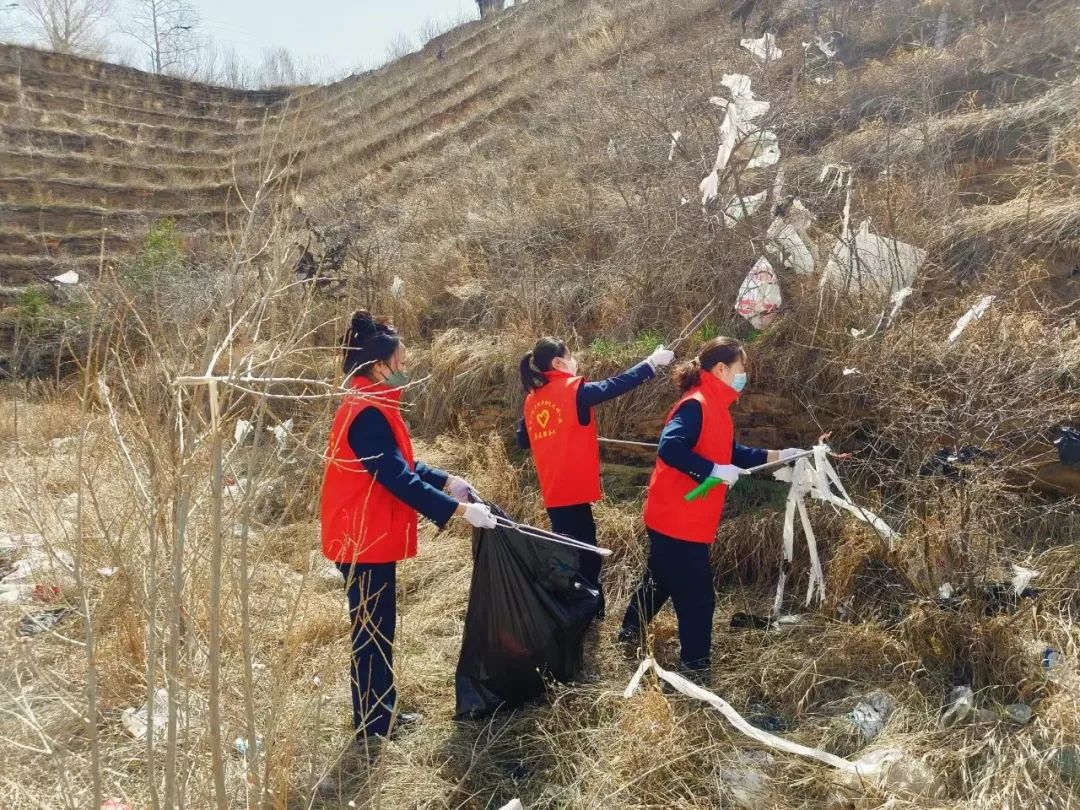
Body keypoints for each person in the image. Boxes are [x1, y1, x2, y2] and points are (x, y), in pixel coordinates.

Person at [321, 310, 497, 745]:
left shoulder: (373, 405)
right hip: (361, 539)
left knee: (379, 628)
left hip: (367, 534)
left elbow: (403, 464)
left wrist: (447, 480)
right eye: (400, 362)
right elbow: (396, 479)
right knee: (372, 631)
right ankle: (372, 726)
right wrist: (458, 512)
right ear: (379, 365)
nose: (405, 369)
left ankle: (380, 712)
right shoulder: (366, 413)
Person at [618, 336, 803, 678]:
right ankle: (696, 670)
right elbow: (670, 449)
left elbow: (731, 453)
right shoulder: (696, 405)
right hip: (677, 519)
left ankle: (628, 634)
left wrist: (779, 456)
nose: (743, 375)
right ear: (721, 369)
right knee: (698, 600)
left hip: (680, 518)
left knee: (659, 581)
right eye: (740, 368)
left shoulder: (716, 408)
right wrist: (711, 471)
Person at [518, 337, 675, 614]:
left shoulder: (532, 400)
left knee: (571, 550)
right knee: (585, 555)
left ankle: (583, 607)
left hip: (554, 491)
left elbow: (523, 440)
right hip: (572, 489)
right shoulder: (572, 391)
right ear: (557, 363)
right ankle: (584, 610)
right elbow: (615, 385)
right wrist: (652, 363)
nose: (574, 360)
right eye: (570, 355)